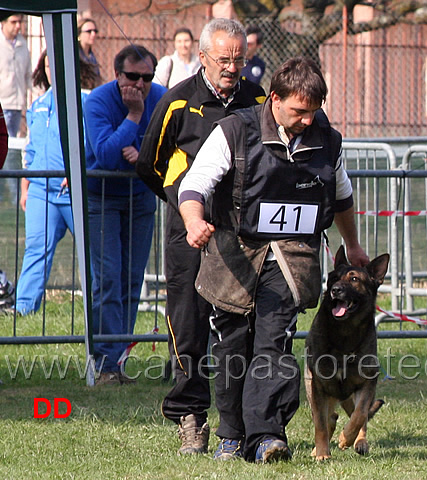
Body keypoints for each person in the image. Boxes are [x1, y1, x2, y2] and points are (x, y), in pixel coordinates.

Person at [178, 56, 369, 463]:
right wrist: (194, 221)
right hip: (234, 256)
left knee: (273, 345)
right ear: (276, 99)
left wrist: (352, 246)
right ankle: (231, 436)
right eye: (299, 111)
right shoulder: (235, 130)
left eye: (313, 112)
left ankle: (267, 437)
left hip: (291, 260)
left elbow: (341, 196)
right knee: (232, 347)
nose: (306, 120)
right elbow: (195, 183)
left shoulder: (327, 141)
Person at [137, 18, 265, 456]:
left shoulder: (258, 100)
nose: (232, 68)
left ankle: (245, 421)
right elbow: (150, 165)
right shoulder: (177, 101)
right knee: (188, 322)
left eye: (239, 60)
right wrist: (184, 208)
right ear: (204, 58)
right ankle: (190, 415)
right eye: (224, 60)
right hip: (187, 230)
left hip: (241, 232)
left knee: (239, 323)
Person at [84, 45, 166, 386]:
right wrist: (133, 117)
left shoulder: (162, 97)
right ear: (117, 75)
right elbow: (104, 154)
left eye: (147, 77)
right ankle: (103, 363)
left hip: (141, 198)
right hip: (101, 197)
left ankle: (118, 359)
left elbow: (171, 144)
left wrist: (143, 153)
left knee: (132, 281)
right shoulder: (99, 102)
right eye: (132, 76)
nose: (141, 84)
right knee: (108, 280)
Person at [13, 51, 97, 316]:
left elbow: (94, 144)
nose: (52, 69)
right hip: (40, 191)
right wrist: (26, 186)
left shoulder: (88, 101)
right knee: (36, 249)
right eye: (48, 64)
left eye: (58, 64)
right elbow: (32, 150)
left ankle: (98, 311)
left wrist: (78, 171)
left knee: (92, 254)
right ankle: (23, 311)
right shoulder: (37, 105)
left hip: (76, 191)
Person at [0, 14, 30, 137]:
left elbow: (28, 74)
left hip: (17, 105)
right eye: (13, 22)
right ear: (3, 23)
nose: (18, 26)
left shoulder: (22, 44)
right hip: (2, 104)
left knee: (11, 145)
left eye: (20, 22)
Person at [77, 18, 102, 83]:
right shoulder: (75, 55)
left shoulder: (91, 56)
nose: (93, 34)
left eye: (95, 31)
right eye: (89, 31)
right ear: (79, 34)